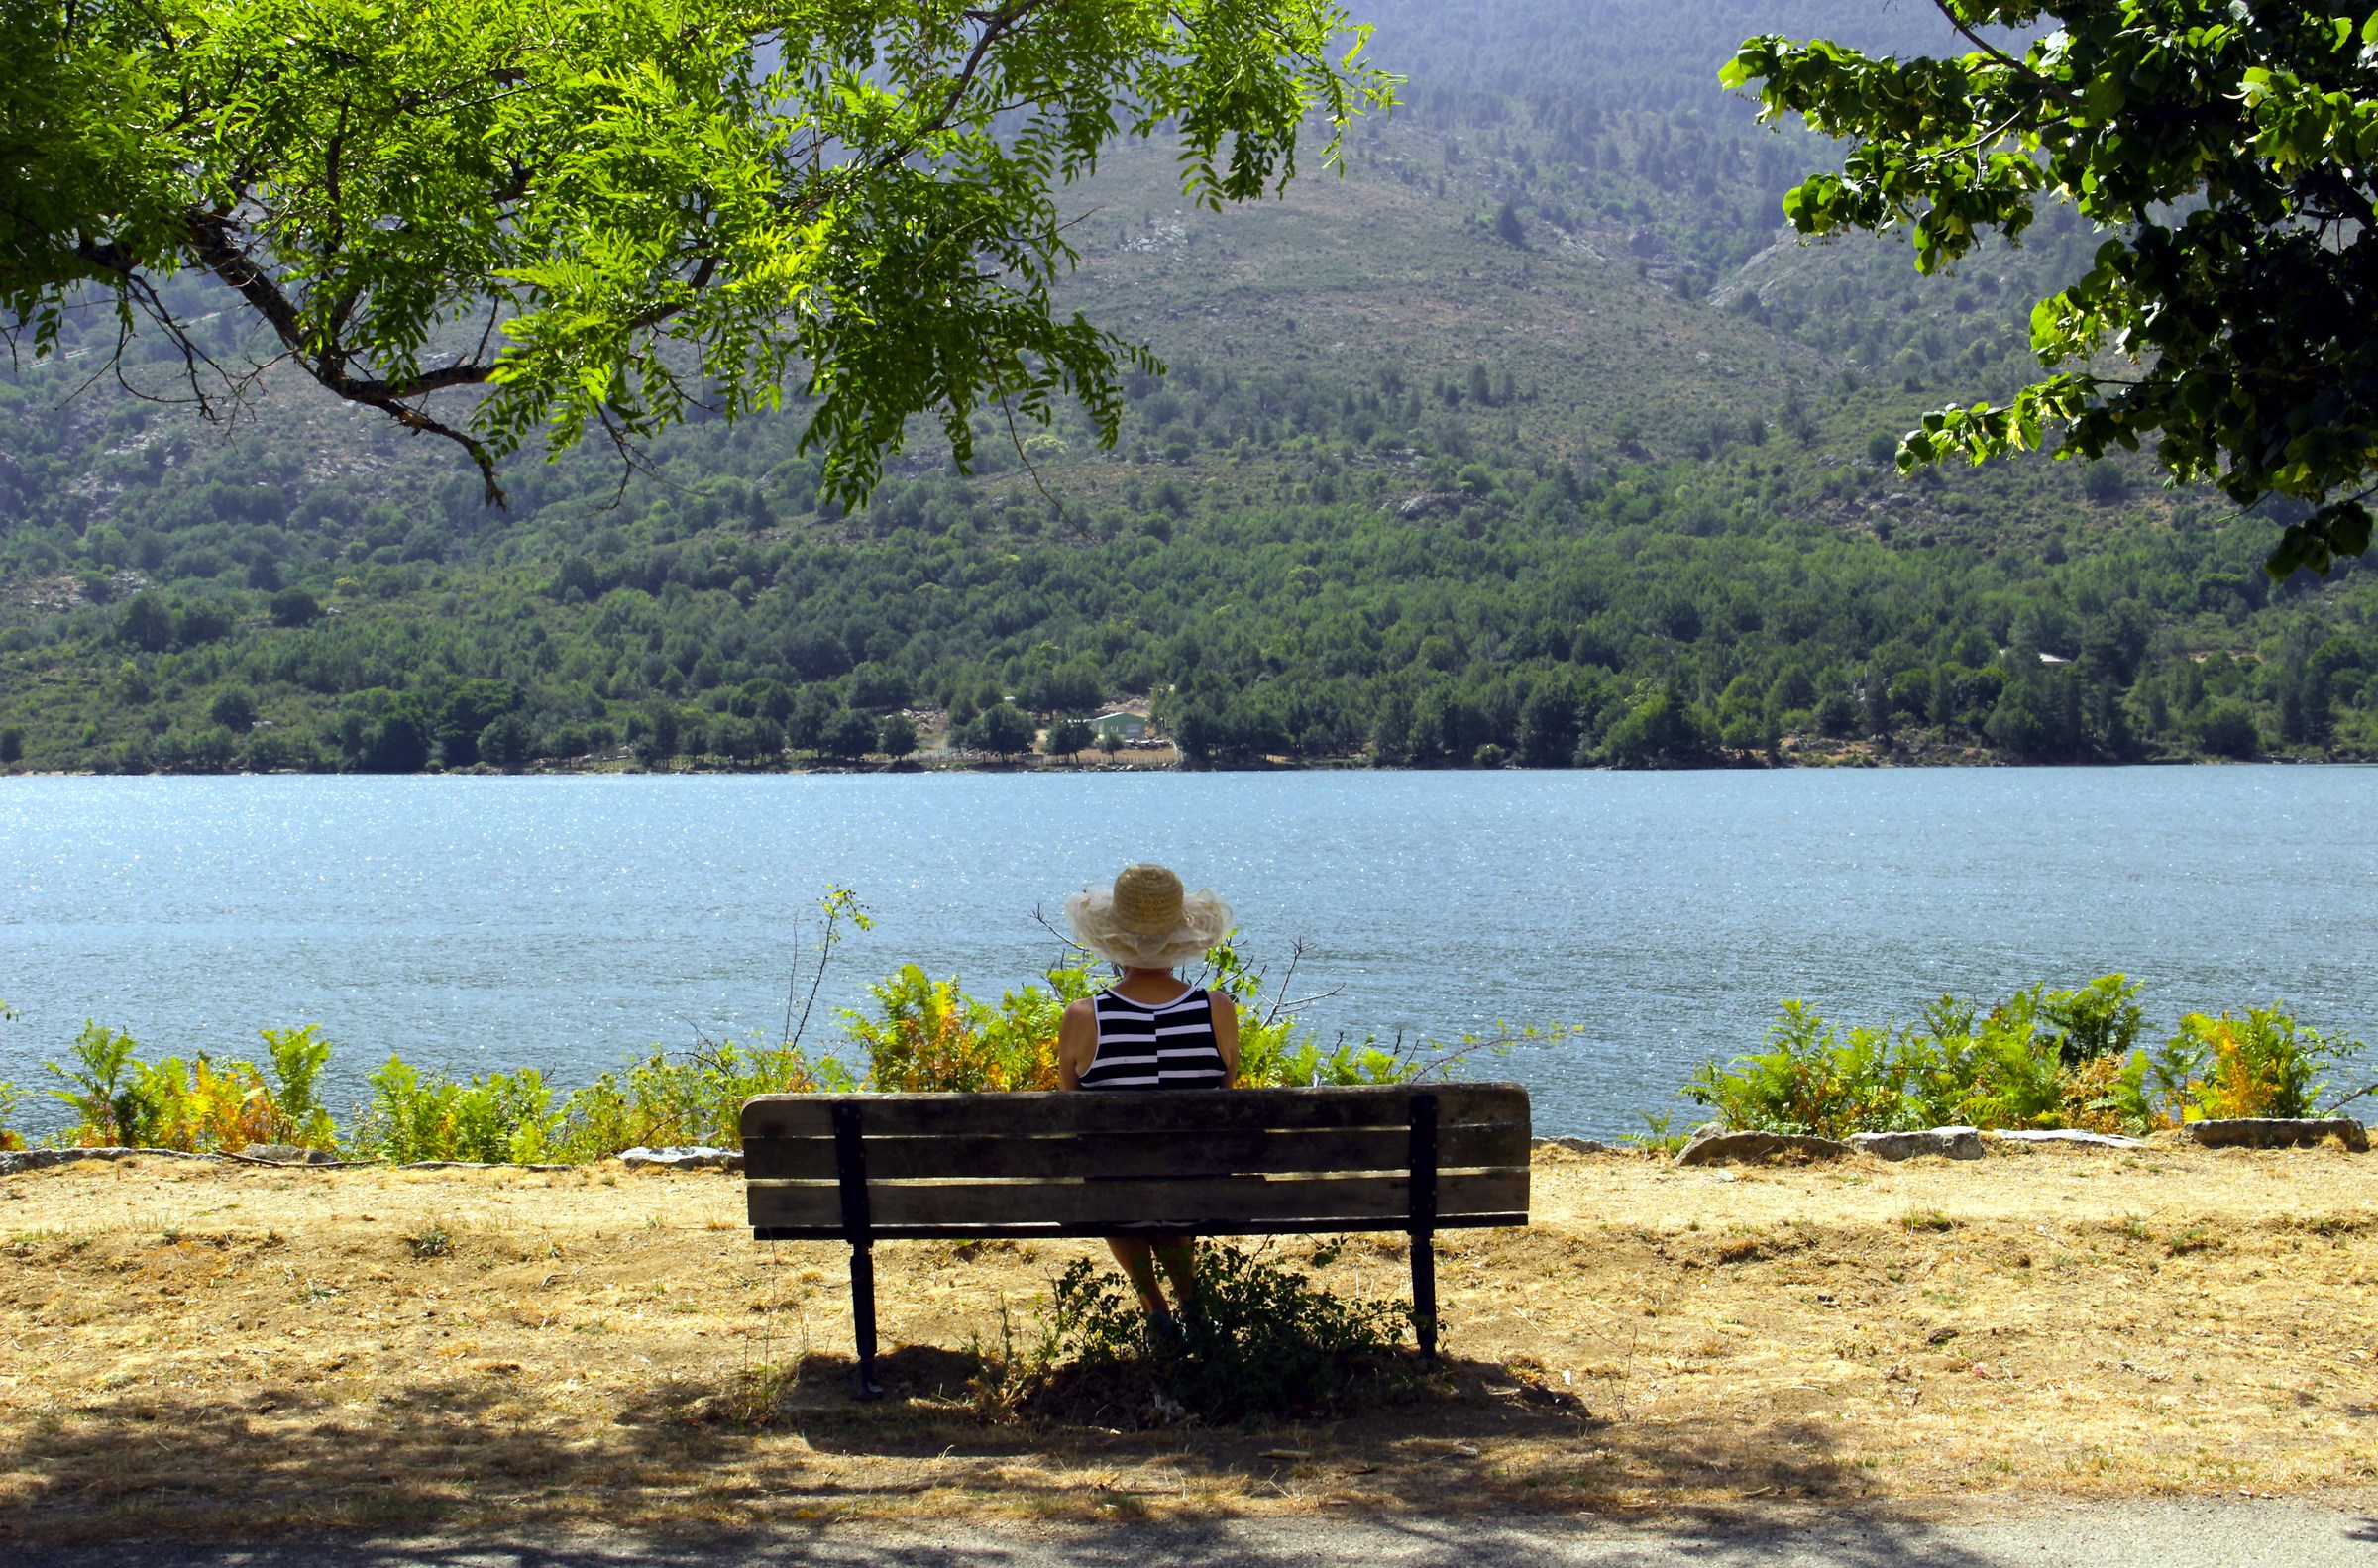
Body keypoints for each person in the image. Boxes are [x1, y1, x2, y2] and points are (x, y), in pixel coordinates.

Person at [1056, 863, 1241, 1329]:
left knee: (1118, 1176)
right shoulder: (1216, 1010)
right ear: (1181, 938)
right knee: (1171, 1165)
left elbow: (1069, 1108)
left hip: (1116, 1188)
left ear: (1113, 938)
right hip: (1195, 1184)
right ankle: (1191, 1301)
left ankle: (1155, 1306)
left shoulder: (1083, 1017)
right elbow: (1225, 1093)